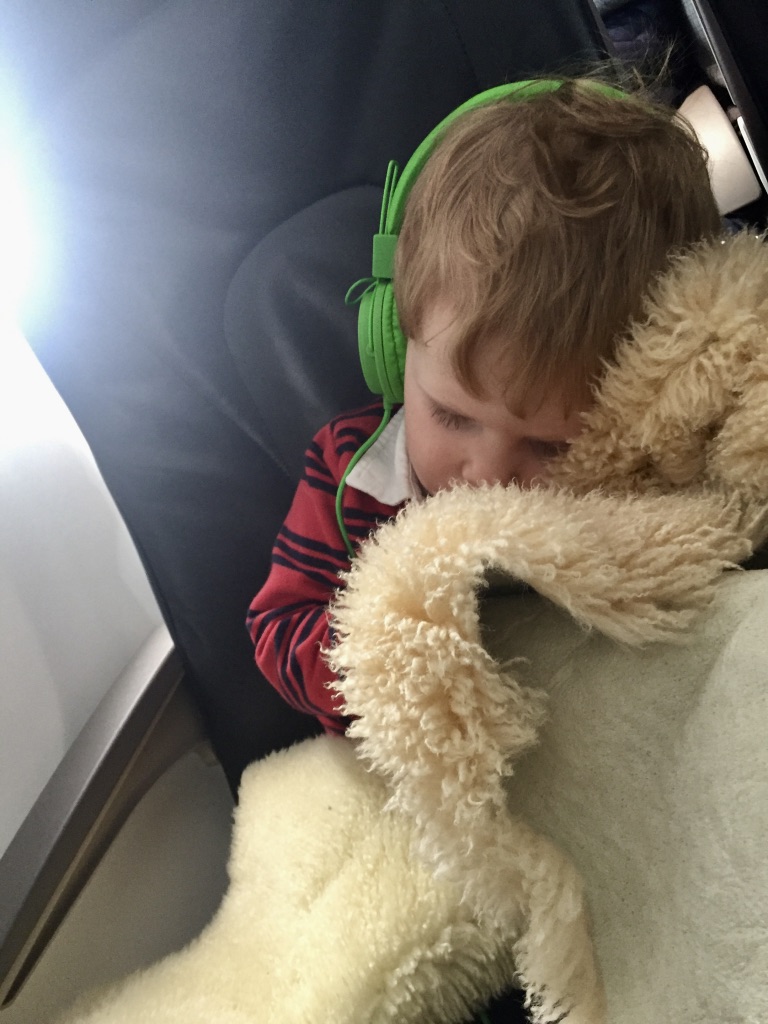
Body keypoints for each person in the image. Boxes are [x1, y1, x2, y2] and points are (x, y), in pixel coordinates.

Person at [246, 77, 722, 736]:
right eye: (451, 415)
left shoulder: (648, 489)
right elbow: (278, 629)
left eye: (552, 445)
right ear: (394, 347)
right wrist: (393, 660)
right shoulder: (348, 475)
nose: (486, 473)